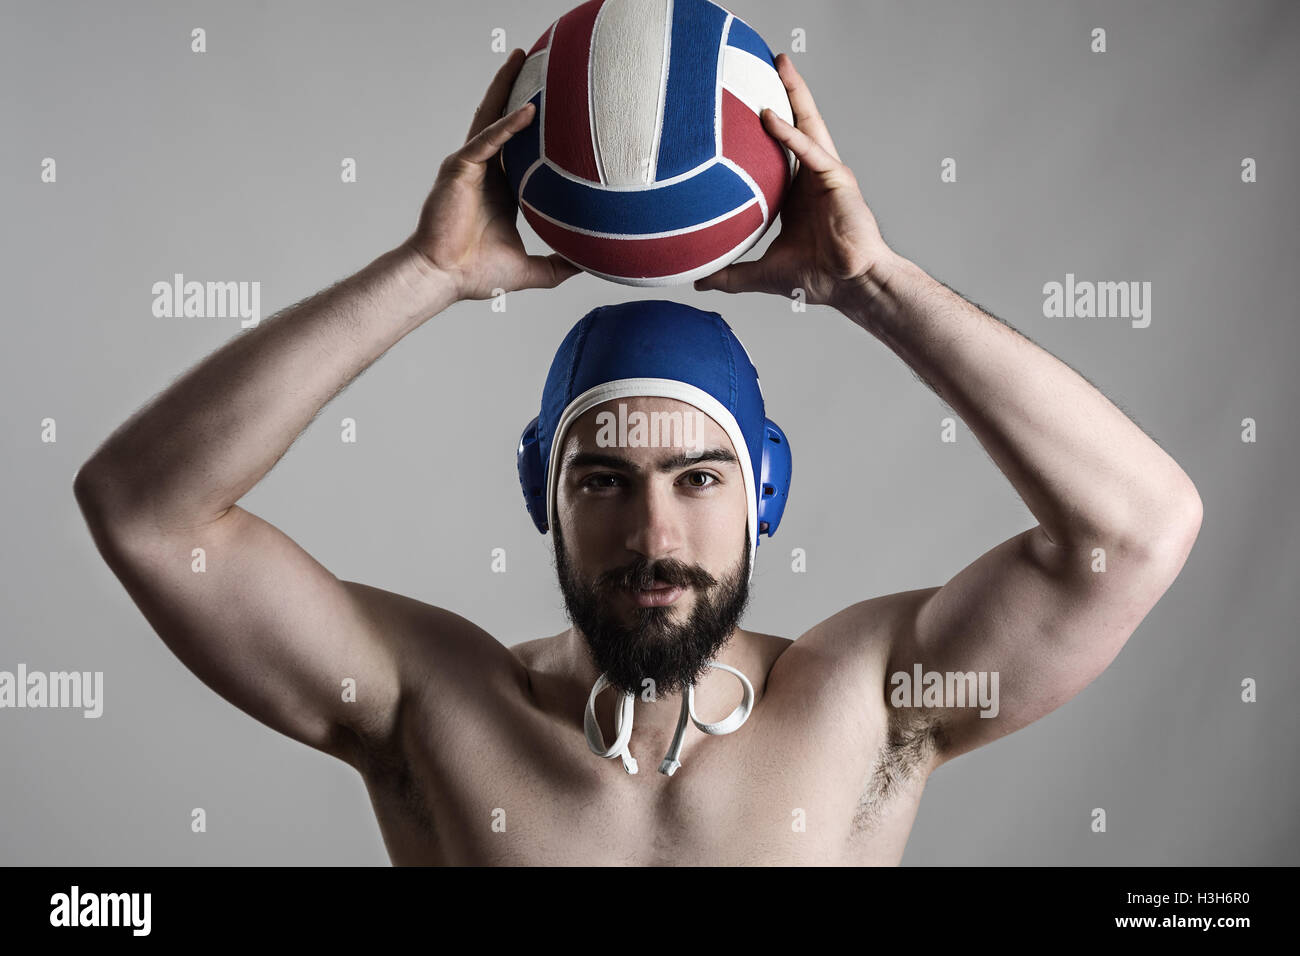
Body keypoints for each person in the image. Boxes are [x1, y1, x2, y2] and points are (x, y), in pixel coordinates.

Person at [73, 49, 1202, 865]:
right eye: (603, 478)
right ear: (541, 492)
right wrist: (427, 273)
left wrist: (873, 286)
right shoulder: (435, 705)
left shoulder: (867, 701)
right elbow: (143, 510)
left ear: (766, 487)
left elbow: (1135, 529)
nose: (654, 537)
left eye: (697, 478)